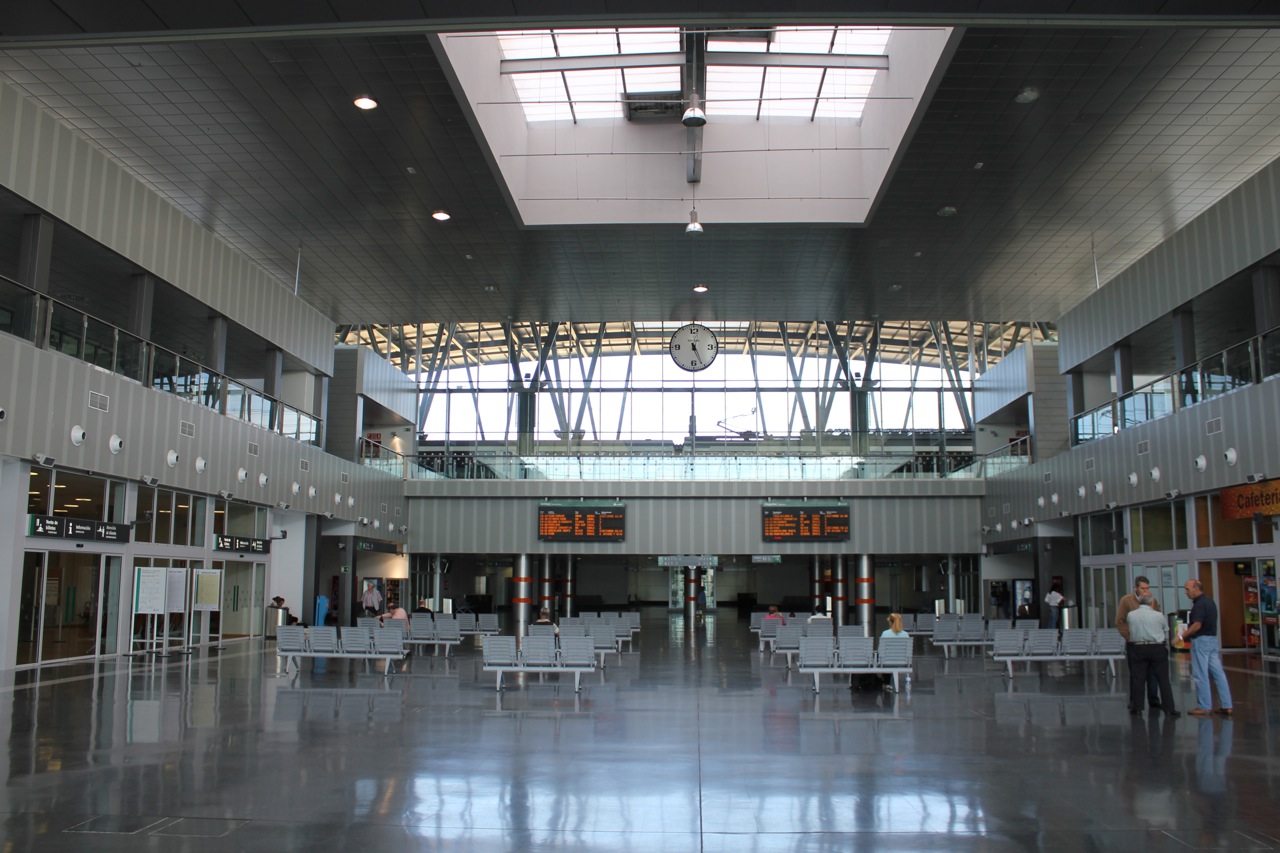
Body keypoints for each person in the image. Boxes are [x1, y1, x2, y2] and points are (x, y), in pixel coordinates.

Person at [1181, 579, 1234, 716]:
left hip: (1201, 641)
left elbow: (1197, 625)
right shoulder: (1210, 602)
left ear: (1196, 588)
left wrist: (1181, 637)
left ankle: (1204, 706)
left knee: (1201, 674)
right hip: (1212, 640)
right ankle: (1226, 705)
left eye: (1187, 589)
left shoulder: (1199, 605)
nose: (1186, 592)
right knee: (1218, 674)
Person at [1125, 594, 1180, 717]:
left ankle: (1137, 707)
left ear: (1139, 603)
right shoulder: (1158, 615)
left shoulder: (1131, 615)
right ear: (1152, 603)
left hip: (1138, 647)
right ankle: (1169, 709)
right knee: (1163, 679)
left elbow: (1129, 628)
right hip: (1157, 648)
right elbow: (1165, 629)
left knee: (1138, 678)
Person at [1116, 575, 1163, 710]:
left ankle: (1153, 699)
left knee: (1153, 672)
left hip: (1151, 641)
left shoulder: (1151, 600)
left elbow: (1157, 616)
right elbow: (1120, 620)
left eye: (1147, 588)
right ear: (1136, 588)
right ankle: (1135, 700)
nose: (1145, 591)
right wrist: (1128, 636)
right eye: (1142, 588)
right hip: (1135, 642)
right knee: (1136, 674)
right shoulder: (1127, 601)